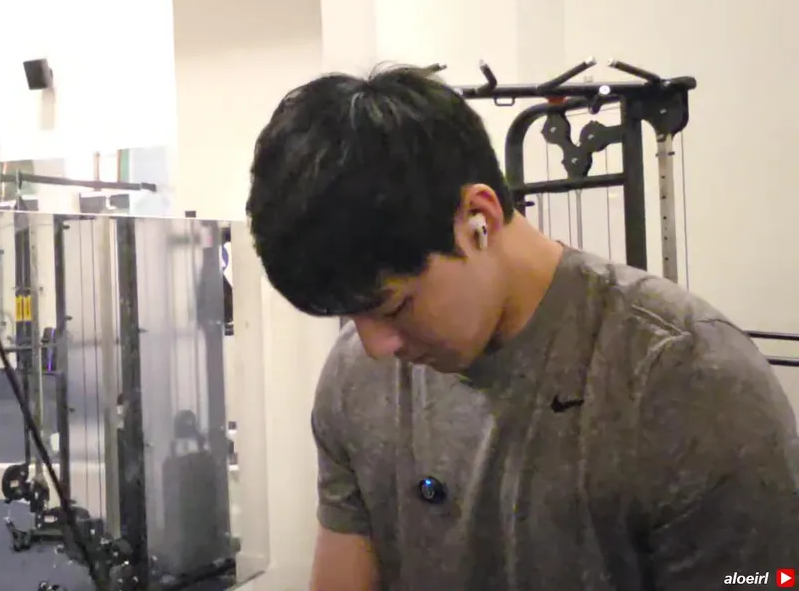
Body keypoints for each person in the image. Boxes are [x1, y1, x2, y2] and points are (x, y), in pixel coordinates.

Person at [244, 65, 799, 591]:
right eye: (350, 316)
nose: (374, 346)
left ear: (478, 219)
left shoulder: (687, 378)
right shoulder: (353, 380)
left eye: (394, 307)